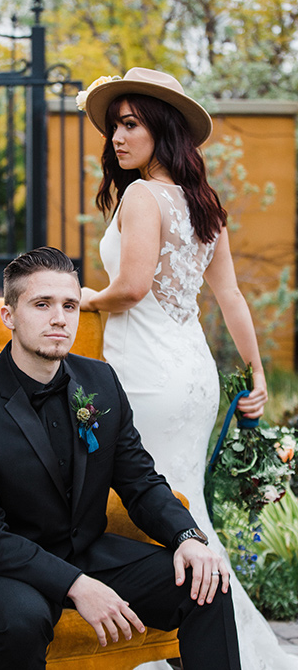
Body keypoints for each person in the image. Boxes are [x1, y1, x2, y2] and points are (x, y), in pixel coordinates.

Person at [77, 67, 298, 670]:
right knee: (182, 508)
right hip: (192, 374)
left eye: (130, 125)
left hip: (148, 374)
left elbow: (129, 288)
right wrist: (257, 374)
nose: (117, 139)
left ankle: (158, 648)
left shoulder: (144, 196)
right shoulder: (204, 203)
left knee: (145, 508)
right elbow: (231, 299)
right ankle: (212, 641)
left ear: (161, 129)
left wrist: (78, 300)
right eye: (114, 127)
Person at [0, 246, 241, 670]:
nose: (59, 318)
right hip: (5, 567)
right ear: (10, 316)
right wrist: (77, 585)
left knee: (208, 584)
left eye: (70, 305)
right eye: (42, 304)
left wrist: (188, 538)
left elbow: (140, 481)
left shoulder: (101, 381)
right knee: (22, 621)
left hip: (87, 550)